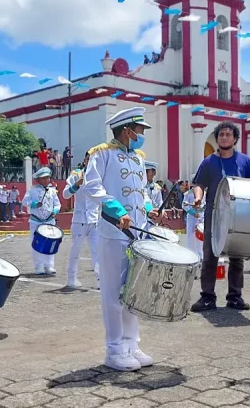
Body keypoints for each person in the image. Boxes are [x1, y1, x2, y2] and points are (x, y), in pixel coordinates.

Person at [84, 106, 158, 372]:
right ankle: (114, 349)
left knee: (134, 290)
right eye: (139, 130)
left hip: (138, 232)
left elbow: (143, 191)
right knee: (114, 293)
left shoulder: (138, 158)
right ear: (127, 130)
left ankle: (131, 344)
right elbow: (92, 186)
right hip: (114, 232)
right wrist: (117, 210)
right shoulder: (102, 154)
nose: (142, 134)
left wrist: (149, 208)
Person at [190, 121, 250, 312]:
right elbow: (199, 184)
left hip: (239, 215)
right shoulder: (208, 162)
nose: (225, 137)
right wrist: (198, 198)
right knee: (210, 256)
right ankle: (207, 297)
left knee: (237, 257)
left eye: (229, 134)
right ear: (217, 138)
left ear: (235, 139)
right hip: (214, 214)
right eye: (221, 135)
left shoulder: (245, 161)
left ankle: (235, 297)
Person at [63, 151, 100, 289]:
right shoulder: (75, 175)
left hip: (94, 220)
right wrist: (76, 185)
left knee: (97, 252)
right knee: (75, 251)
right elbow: (65, 194)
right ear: (84, 160)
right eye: (88, 159)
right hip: (79, 220)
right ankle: (71, 278)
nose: (90, 162)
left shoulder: (99, 176)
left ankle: (100, 280)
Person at [26, 167, 61, 274]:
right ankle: (38, 267)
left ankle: (49, 266)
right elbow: (25, 202)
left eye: (48, 178)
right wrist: (35, 204)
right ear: (38, 179)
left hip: (49, 220)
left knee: (50, 243)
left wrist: (55, 211)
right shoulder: (32, 190)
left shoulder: (52, 191)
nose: (47, 180)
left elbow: (57, 204)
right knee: (37, 243)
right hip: (36, 221)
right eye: (44, 178)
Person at [182, 181, 204, 259]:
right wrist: (192, 212)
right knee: (190, 236)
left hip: (201, 216)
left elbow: (205, 204)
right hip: (191, 217)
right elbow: (184, 205)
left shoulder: (203, 193)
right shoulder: (188, 193)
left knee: (200, 236)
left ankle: (200, 255)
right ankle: (190, 255)